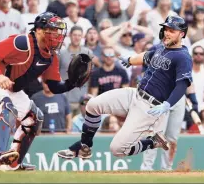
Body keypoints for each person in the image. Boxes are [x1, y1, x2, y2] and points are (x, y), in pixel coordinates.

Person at [57, 15, 192, 160]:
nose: (167, 32)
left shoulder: (183, 57)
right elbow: (147, 56)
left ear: (182, 34)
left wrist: (167, 104)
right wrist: (130, 60)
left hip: (150, 107)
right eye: (166, 29)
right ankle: (85, 146)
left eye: (172, 30)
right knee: (92, 105)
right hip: (135, 94)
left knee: (118, 149)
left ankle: (153, 141)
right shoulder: (162, 47)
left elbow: (182, 84)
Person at [0, 12, 80, 171]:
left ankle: (13, 165)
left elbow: (54, 87)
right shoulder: (23, 42)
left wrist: (73, 82)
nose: (57, 35)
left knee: (34, 118)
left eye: (59, 31)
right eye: (53, 30)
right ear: (39, 30)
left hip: (10, 87)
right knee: (6, 108)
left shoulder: (51, 56)